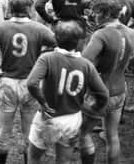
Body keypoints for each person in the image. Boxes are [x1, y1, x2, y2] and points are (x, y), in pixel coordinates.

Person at [0, 0, 56, 164]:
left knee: (5, 129)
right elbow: (58, 44)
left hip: (7, 82)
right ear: (29, 9)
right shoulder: (39, 28)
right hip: (30, 84)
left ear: (10, 9)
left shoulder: (1, 27)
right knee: (28, 131)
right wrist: (42, 55)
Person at [81, 0, 134, 164]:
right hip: (120, 91)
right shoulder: (131, 33)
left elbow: (84, 63)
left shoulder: (101, 34)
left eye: (96, 12)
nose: (93, 16)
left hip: (98, 92)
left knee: (83, 133)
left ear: (106, 14)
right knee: (111, 135)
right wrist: (130, 63)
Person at [27, 20, 109, 164]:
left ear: (56, 39)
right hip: (72, 119)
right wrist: (93, 108)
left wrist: (42, 102)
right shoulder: (86, 65)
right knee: (64, 161)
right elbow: (103, 94)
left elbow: (32, 83)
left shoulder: (47, 58)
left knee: (34, 157)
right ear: (78, 42)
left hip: (48, 117)